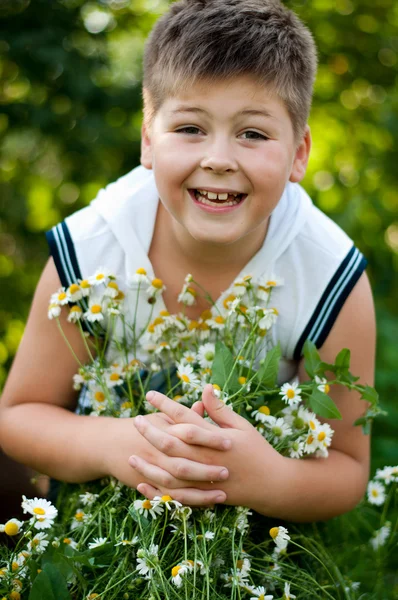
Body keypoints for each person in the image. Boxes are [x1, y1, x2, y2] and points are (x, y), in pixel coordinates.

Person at [0, 0, 375, 522]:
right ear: (148, 139)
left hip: (261, 549)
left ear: (299, 154)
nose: (218, 158)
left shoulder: (329, 273)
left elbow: (348, 469)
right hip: (101, 530)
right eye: (191, 128)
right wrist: (114, 446)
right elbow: (17, 417)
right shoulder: (93, 248)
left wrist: (264, 480)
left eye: (253, 133)